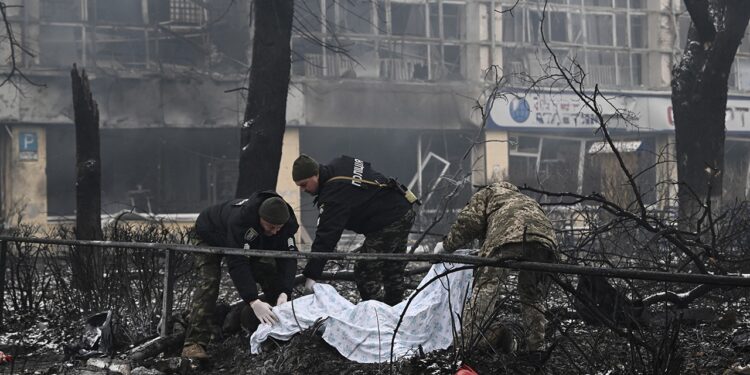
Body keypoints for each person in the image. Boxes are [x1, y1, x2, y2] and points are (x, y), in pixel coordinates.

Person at [434, 181, 558, 353]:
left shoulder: (489, 192)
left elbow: (469, 222)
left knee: (486, 286)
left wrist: (446, 246)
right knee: (532, 295)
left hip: (508, 236)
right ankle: (536, 348)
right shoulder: (524, 199)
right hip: (545, 241)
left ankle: (465, 345)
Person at [181, 191, 299, 360]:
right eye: (271, 227)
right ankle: (193, 343)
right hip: (208, 233)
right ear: (260, 218)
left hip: (242, 242)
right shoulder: (241, 221)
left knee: (268, 271)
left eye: (278, 228)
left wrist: (285, 292)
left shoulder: (284, 226)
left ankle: (277, 328)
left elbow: (288, 259)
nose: (274, 232)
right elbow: (237, 263)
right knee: (210, 281)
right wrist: (253, 300)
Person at [292, 154, 417, 306]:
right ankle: (396, 312)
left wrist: (311, 276)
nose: (303, 190)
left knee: (365, 271)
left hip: (389, 220)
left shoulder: (333, 194)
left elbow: (326, 236)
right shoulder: (340, 163)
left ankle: (378, 314)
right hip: (403, 207)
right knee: (392, 267)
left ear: (315, 174)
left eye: (304, 184)